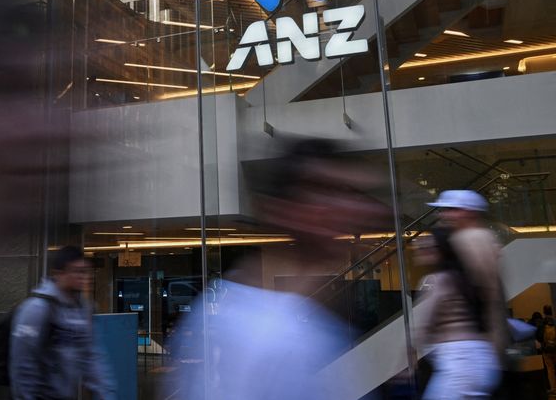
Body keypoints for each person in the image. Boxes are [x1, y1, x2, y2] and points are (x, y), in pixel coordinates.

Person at [171, 138, 393, 399]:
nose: (346, 208)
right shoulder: (263, 331)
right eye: (324, 190)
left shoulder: (299, 324)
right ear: (279, 209)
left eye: (351, 193)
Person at [9, 246, 116, 400]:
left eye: (85, 271)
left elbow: (91, 355)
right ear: (59, 273)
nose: (83, 277)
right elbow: (23, 364)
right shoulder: (36, 309)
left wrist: (105, 393)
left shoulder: (83, 308)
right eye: (76, 271)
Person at [412, 226, 502, 399]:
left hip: (459, 362)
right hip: (483, 358)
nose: (420, 250)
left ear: (441, 250)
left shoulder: (435, 281)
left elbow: (422, 324)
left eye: (427, 247)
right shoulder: (467, 279)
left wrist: (405, 358)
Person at [537, 305, 556, 394]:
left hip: (547, 349)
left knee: (550, 369)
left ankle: (553, 388)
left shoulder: (542, 322)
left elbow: (539, 336)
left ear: (544, 312)